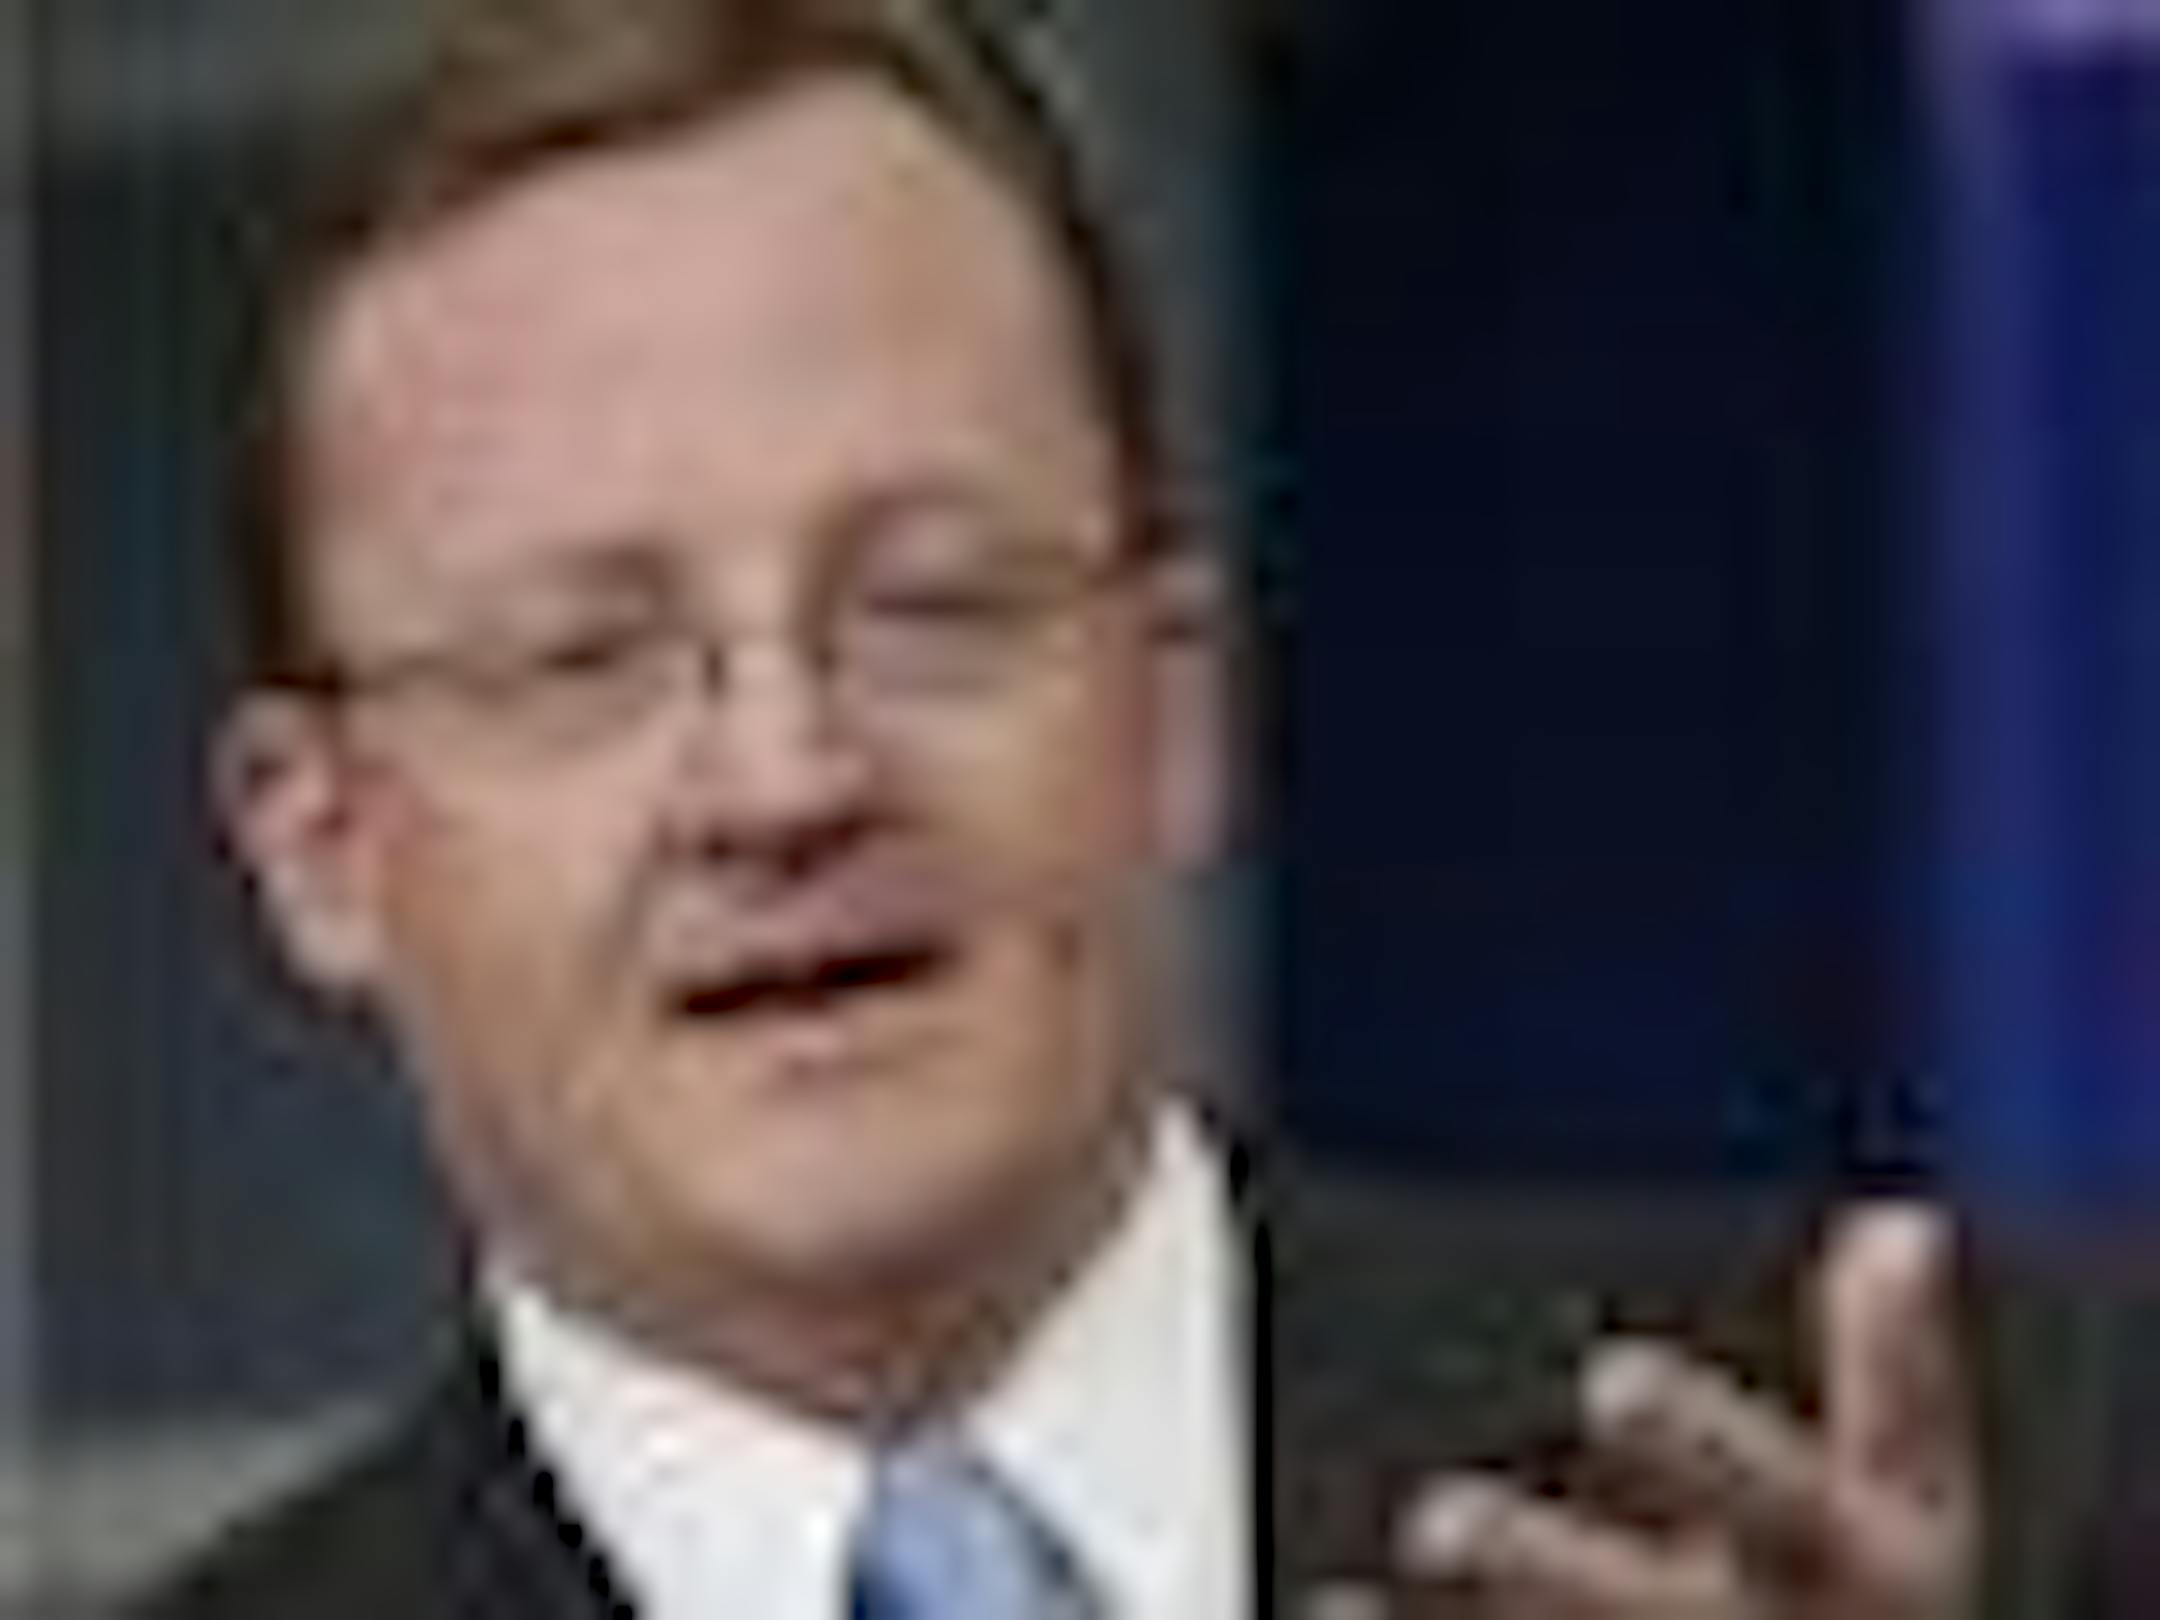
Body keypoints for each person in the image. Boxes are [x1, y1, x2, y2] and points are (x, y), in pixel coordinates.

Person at [148, 0, 2151, 1615]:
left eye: (934, 602)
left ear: (1175, 705)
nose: (785, 781)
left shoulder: (2018, 1470)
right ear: (322, 850)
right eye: (584, 657)